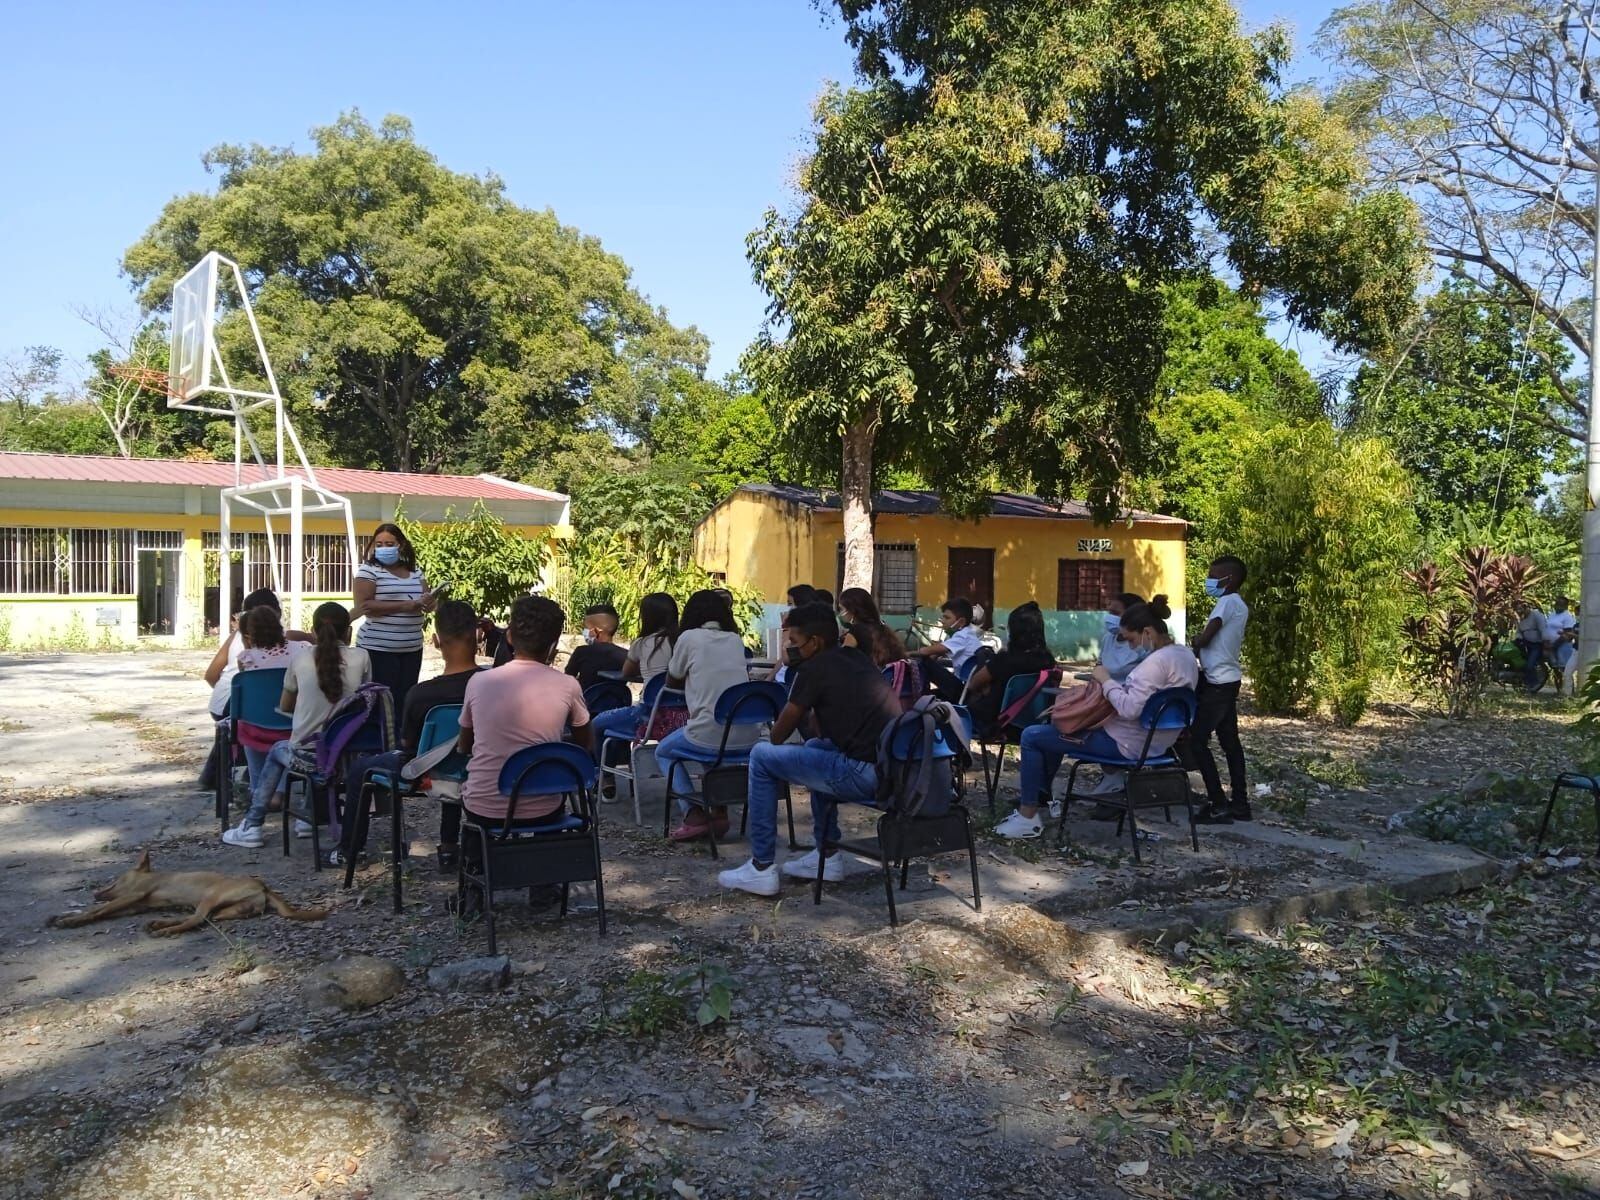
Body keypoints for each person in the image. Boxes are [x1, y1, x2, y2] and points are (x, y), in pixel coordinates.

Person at [716, 603, 903, 896]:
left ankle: (761, 867)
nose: (789, 648)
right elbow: (821, 731)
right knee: (816, 747)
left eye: (793, 641)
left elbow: (780, 734)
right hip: (892, 770)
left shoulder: (814, 669)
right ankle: (827, 855)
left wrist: (773, 733)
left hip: (864, 774)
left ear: (815, 642)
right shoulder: (854, 658)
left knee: (761, 756)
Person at [995, 596, 1197, 838]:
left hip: (1125, 744)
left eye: (1132, 639)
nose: (1132, 647)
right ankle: (1040, 796)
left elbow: (1130, 709)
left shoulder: (1154, 664)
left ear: (1147, 632)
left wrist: (1105, 680)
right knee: (1058, 729)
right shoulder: (1184, 656)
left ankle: (1028, 815)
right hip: (1158, 744)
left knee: (1032, 735)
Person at [332, 599, 485, 870]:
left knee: (360, 771)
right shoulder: (492, 684)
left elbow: (408, 744)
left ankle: (349, 851)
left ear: (436, 641)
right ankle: (449, 848)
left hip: (424, 775)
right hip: (479, 769)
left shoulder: (420, 694)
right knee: (459, 760)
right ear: (478, 635)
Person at [222, 603, 372, 848]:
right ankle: (307, 818)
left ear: (313, 632)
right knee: (317, 745)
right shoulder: (362, 657)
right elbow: (366, 699)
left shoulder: (301, 659)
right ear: (349, 632)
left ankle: (253, 825)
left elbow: (286, 705)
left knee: (279, 749)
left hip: (309, 758)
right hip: (348, 758)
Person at [458, 596, 591, 830]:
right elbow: (586, 745)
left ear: (509, 636)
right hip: (544, 810)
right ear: (554, 644)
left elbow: (465, 746)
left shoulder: (478, 681)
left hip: (483, 807)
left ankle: (478, 863)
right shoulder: (568, 685)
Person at [654, 589, 755, 842]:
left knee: (664, 752)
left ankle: (692, 814)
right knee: (711, 752)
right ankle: (719, 812)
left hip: (708, 732)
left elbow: (672, 679)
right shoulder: (734, 639)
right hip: (747, 734)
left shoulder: (689, 638)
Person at [200, 587, 310, 790]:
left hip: (237, 708)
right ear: (278, 615)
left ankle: (251, 782)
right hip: (285, 717)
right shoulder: (300, 645)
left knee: (244, 716)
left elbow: (210, 675)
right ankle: (271, 785)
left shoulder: (244, 651)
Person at [352, 523, 438, 713]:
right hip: (378, 649)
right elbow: (364, 606)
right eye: (379, 544)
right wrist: (405, 606)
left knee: (404, 700)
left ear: (401, 545)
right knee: (380, 703)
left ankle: (400, 740)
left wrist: (430, 603)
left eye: (389, 543)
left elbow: (426, 599)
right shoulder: (368, 571)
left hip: (412, 648)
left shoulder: (415, 572)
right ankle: (379, 741)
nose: (383, 548)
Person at [1190, 556, 1252, 824]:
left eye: (1214, 575)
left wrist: (1195, 641)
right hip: (1229, 679)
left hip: (1217, 684)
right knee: (1230, 744)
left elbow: (1207, 636)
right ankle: (1240, 803)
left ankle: (1217, 802)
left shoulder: (1226, 602)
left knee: (1196, 740)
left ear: (1230, 579)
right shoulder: (1239, 605)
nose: (1209, 580)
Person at [591, 592, 680, 775]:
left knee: (597, 723)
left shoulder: (642, 643)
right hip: (682, 717)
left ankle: (604, 777)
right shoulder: (683, 642)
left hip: (649, 715)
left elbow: (627, 672)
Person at [1081, 590, 1150, 803]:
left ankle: (1114, 778)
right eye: (1108, 611)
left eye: (1115, 612)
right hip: (1104, 697)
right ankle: (1112, 778)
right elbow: (1100, 666)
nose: (1109, 617)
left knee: (1073, 729)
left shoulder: (1142, 646)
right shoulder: (1108, 638)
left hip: (1127, 705)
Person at [964, 603, 1056, 733]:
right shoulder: (1048, 660)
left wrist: (985, 688)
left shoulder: (1005, 659)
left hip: (996, 724)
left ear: (1014, 631)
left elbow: (973, 684)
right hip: (1034, 723)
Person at [913, 597, 982, 701]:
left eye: (947, 618)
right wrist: (936, 652)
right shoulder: (966, 634)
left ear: (961, 622)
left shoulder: (962, 636)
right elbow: (933, 656)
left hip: (965, 692)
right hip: (966, 689)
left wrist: (904, 654)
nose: (943, 621)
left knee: (923, 661)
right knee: (929, 696)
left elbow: (925, 652)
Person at [565, 604, 628, 692]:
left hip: (586, 703)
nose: (584, 632)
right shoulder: (626, 655)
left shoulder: (581, 652)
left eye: (586, 628)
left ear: (597, 631)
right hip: (618, 703)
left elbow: (568, 679)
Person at [1546, 596, 1578, 693]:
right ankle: (1559, 690)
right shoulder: (1552, 614)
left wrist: (1554, 645)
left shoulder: (1567, 617)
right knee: (1555, 669)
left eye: (1561, 604)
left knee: (1564, 669)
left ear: (1566, 606)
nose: (1558, 605)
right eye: (1557, 603)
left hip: (1563, 646)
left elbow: (1567, 634)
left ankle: (1569, 692)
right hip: (1551, 645)